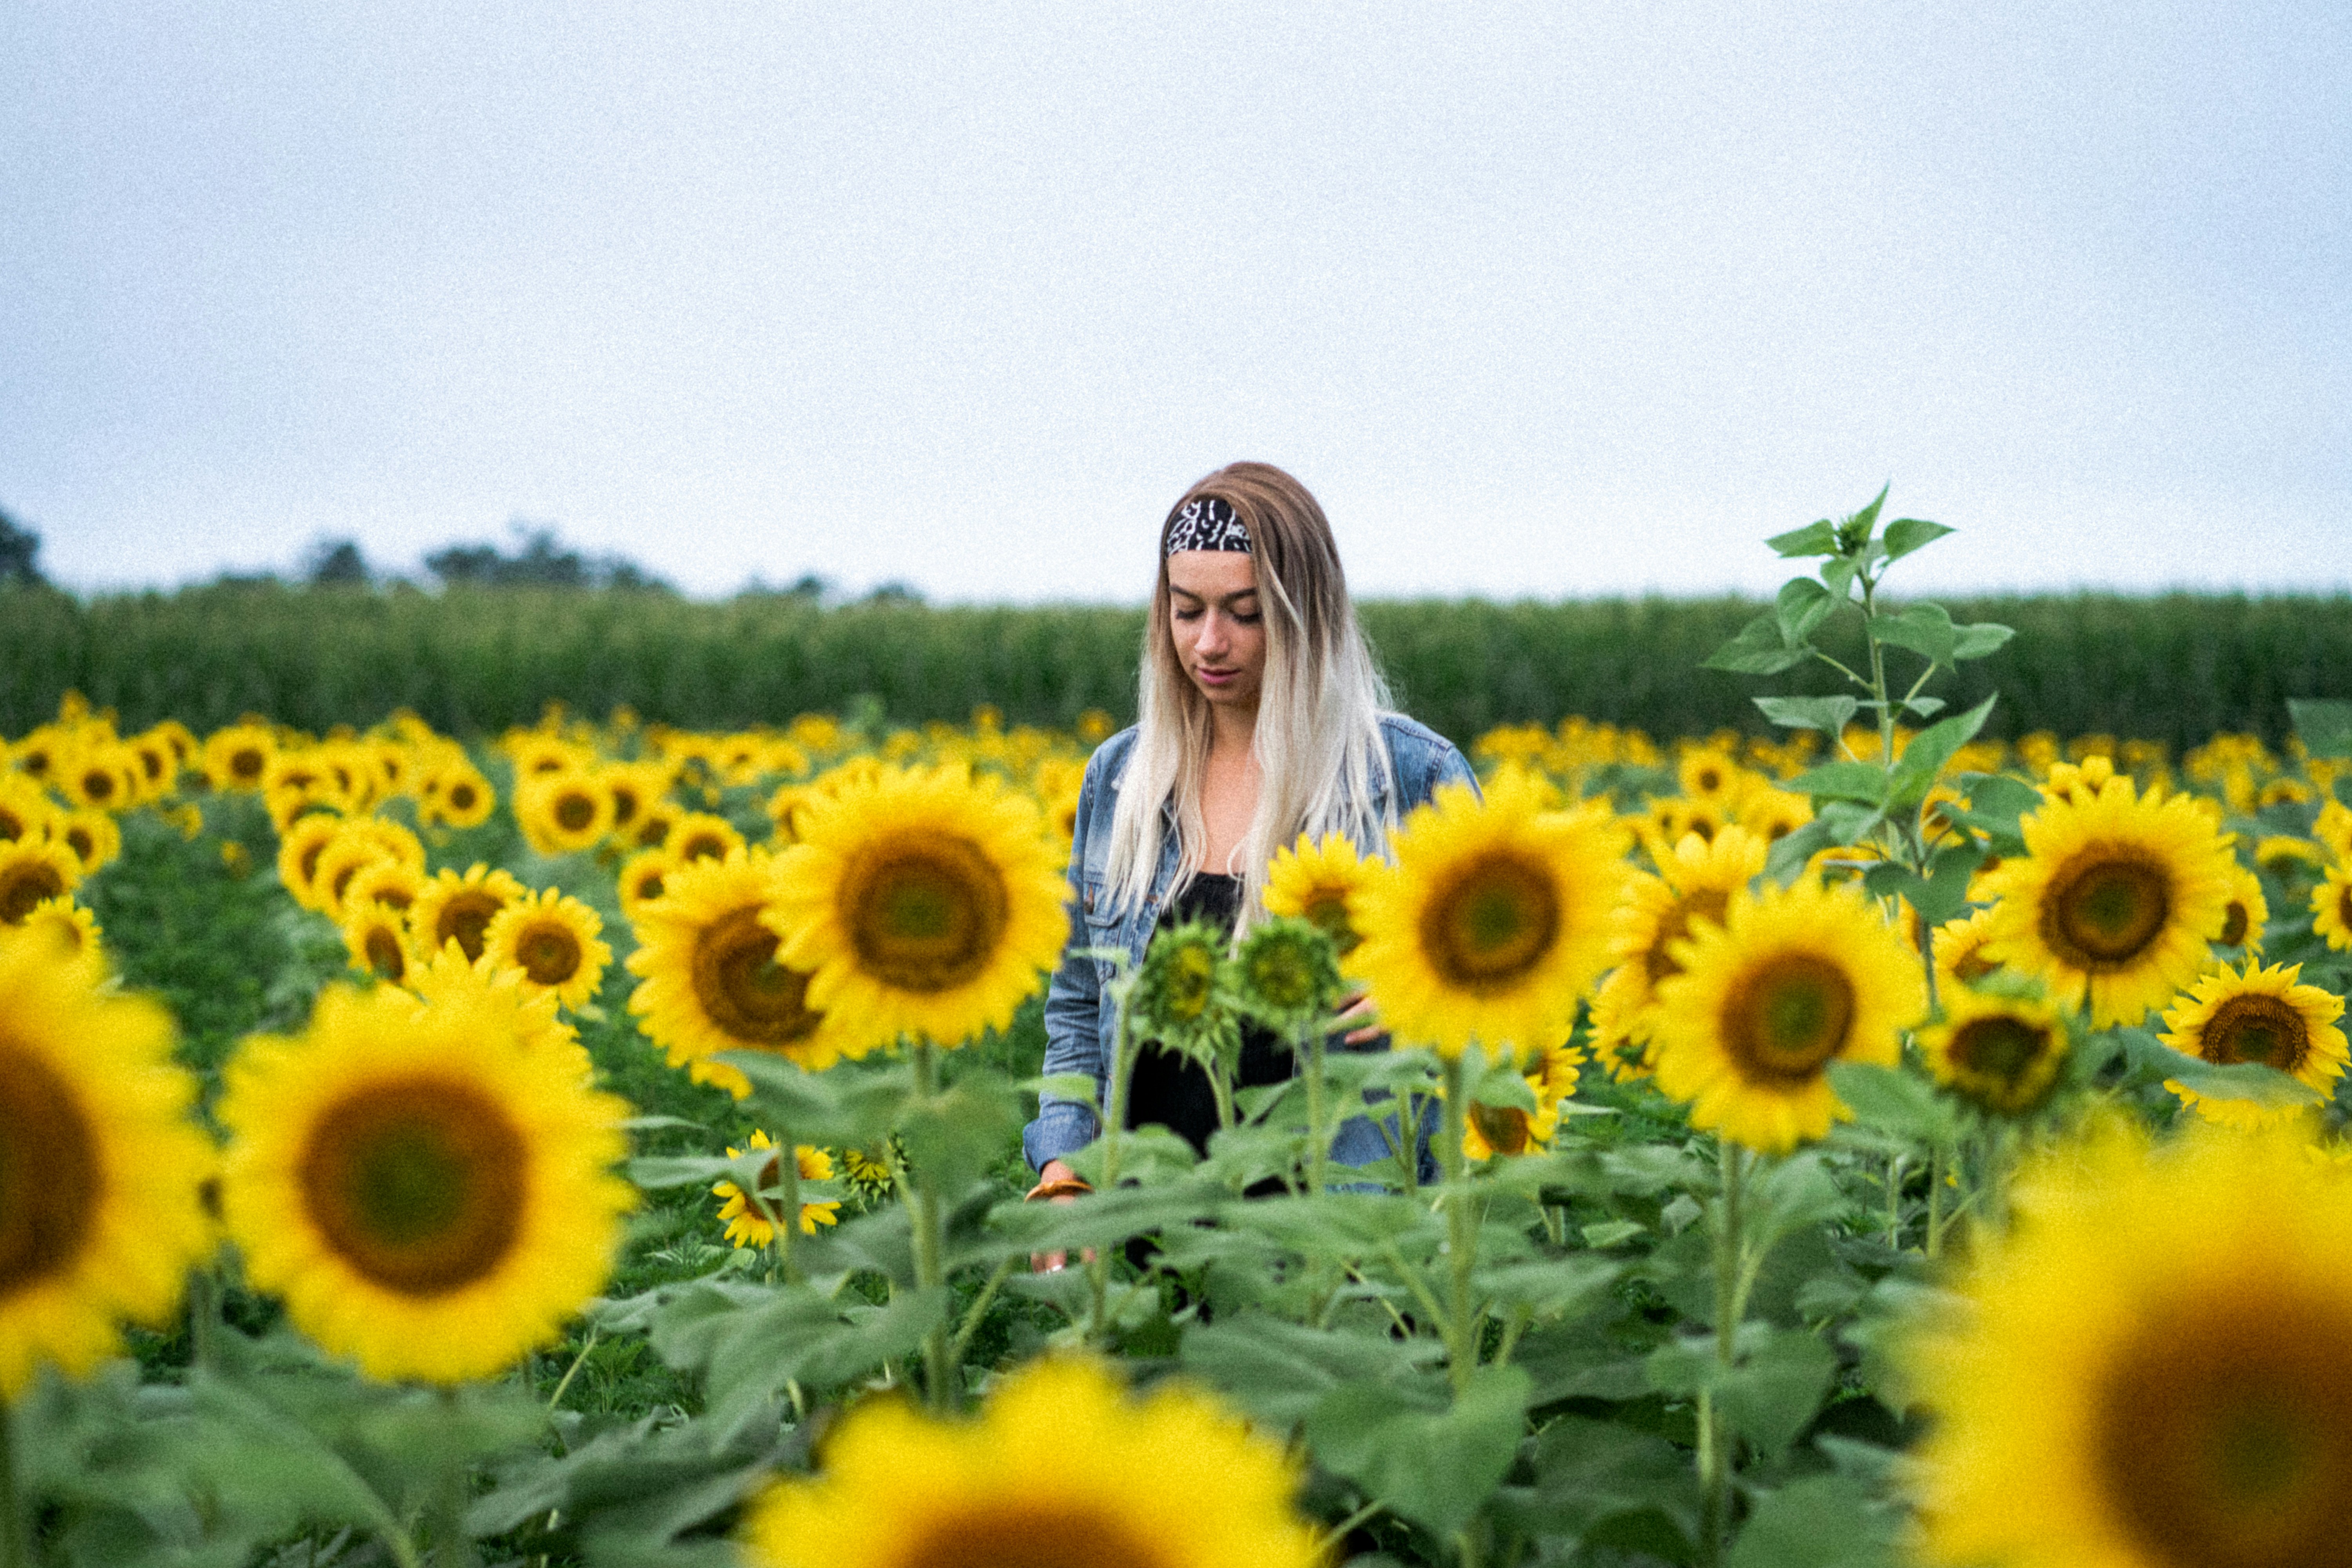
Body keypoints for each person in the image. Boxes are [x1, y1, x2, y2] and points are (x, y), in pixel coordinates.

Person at [1023, 461, 1475, 1233]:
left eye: (1245, 611)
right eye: (1186, 608)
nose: (1210, 642)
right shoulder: (1122, 780)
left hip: (1340, 1254)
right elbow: (1078, 1004)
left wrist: (1424, 998)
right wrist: (1066, 1165)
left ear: (1306, 613)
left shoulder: (1411, 778)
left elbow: (1502, 1002)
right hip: (1148, 1243)